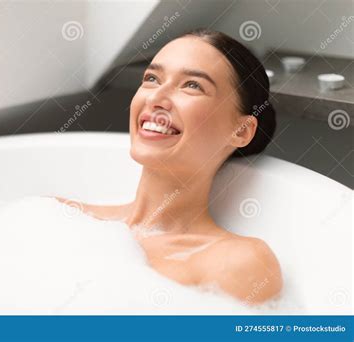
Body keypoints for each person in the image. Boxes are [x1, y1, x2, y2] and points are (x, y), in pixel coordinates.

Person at [56, 28, 282, 305]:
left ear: (241, 130)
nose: (155, 98)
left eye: (192, 85)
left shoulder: (236, 263)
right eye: (152, 78)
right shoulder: (56, 219)